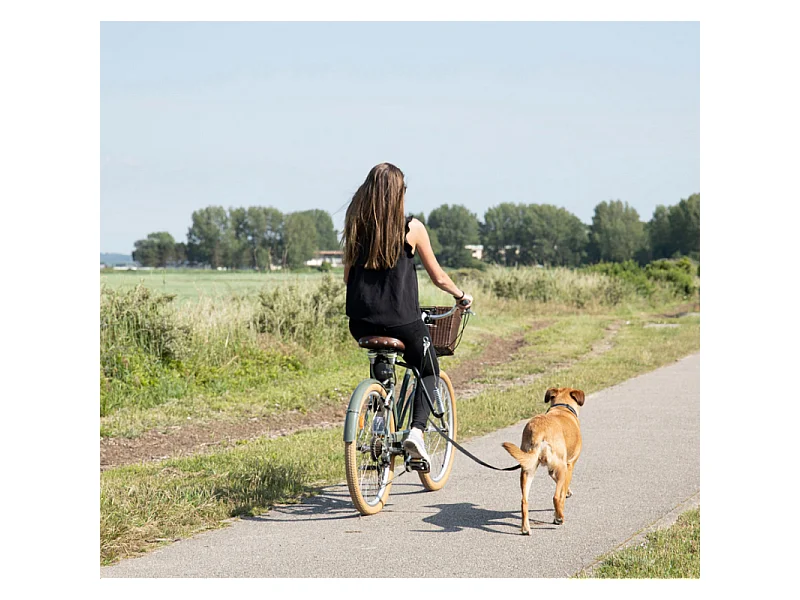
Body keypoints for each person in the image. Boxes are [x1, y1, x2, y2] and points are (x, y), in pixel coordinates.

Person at [342, 162, 473, 464]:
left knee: (381, 363)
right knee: (429, 370)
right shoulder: (412, 228)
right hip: (402, 322)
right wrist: (461, 296)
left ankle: (379, 420)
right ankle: (416, 432)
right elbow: (438, 277)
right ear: (399, 193)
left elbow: (348, 278)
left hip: (360, 323)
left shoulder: (356, 227)